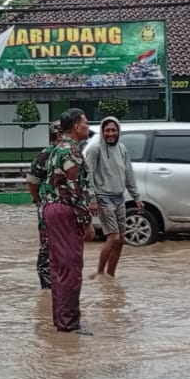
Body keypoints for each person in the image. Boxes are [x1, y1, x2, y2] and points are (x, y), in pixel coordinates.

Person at [39, 108, 97, 334]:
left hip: (51, 209)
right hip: (65, 210)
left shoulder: (56, 149)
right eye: (85, 123)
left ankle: (61, 320)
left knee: (59, 267)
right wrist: (86, 222)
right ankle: (69, 325)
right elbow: (76, 189)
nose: (88, 127)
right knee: (71, 269)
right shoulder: (71, 151)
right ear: (75, 126)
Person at [84, 115, 139, 278]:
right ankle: (100, 272)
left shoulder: (122, 149)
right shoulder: (95, 150)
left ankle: (111, 276)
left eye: (113, 130)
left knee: (121, 239)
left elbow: (129, 173)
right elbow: (88, 175)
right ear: (102, 132)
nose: (110, 133)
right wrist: (92, 199)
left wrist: (136, 197)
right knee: (113, 237)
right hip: (103, 197)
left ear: (118, 131)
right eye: (107, 130)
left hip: (120, 197)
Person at [26, 123, 60, 290]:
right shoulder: (44, 156)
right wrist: (39, 200)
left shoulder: (70, 154)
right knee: (48, 246)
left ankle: (54, 284)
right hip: (49, 207)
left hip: (57, 207)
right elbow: (32, 183)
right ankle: (48, 287)